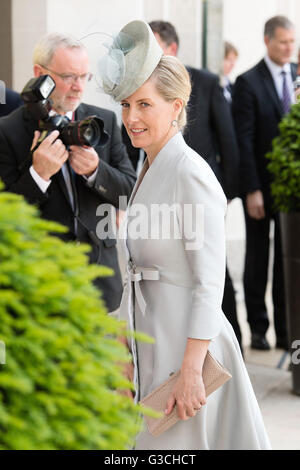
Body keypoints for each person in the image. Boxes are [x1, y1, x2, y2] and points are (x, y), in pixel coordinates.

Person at [100, 19, 271, 450]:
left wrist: (192, 370)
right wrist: (124, 344)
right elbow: (136, 269)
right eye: (126, 106)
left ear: (176, 107)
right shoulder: (148, 165)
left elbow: (210, 281)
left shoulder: (191, 173)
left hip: (187, 349)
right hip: (153, 341)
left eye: (144, 105)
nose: (131, 118)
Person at [0, 33, 136, 313]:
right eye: (68, 76)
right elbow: (5, 215)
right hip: (39, 282)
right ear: (40, 74)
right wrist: (38, 175)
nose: (78, 87)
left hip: (101, 280)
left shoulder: (104, 121)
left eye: (85, 76)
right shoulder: (7, 131)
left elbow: (132, 193)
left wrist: (97, 171)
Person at [148, 20, 242, 349]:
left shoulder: (205, 81)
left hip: (198, 191)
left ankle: (229, 346)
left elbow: (228, 142)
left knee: (212, 272)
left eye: (152, 45)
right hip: (156, 193)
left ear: (171, 49)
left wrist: (224, 194)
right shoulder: (138, 92)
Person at [232, 16, 297, 351]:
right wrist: (252, 188)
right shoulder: (248, 82)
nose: (289, 48)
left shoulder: (297, 75)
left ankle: (288, 331)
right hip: (260, 185)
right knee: (259, 256)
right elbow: (243, 140)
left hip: (292, 190)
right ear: (267, 40)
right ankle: (259, 328)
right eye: (283, 41)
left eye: (292, 41)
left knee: (289, 260)